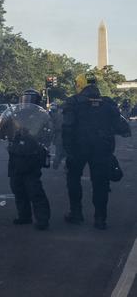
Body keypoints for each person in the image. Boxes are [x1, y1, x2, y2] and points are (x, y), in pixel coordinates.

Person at [62, 73, 132, 229]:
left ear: (80, 85)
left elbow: (67, 127)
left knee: (73, 179)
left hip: (78, 147)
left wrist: (67, 150)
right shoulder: (107, 103)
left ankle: (76, 213)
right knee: (101, 183)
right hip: (102, 148)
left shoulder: (73, 102)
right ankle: (100, 218)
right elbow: (122, 126)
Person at [0, 89, 52, 230]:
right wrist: (4, 126)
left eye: (30, 99)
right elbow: (2, 132)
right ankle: (24, 216)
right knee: (17, 188)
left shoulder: (41, 116)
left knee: (34, 189)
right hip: (16, 155)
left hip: (32, 156)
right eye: (25, 99)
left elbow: (48, 134)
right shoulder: (15, 115)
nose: (27, 102)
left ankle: (42, 219)